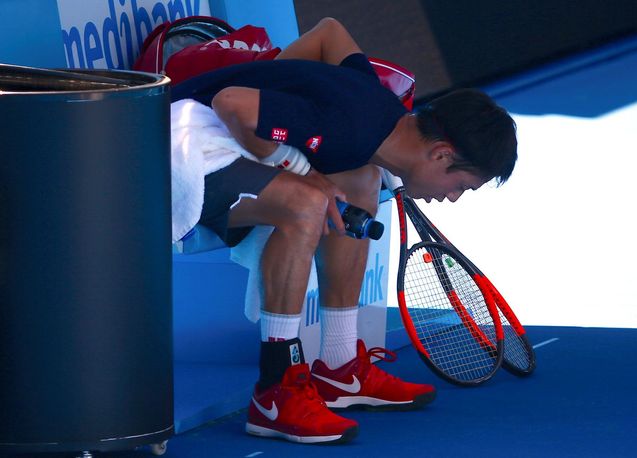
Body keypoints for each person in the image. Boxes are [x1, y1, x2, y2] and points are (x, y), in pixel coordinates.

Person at [171, 17, 517, 444]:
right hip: (177, 142)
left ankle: (339, 367)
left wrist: (282, 86)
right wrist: (297, 164)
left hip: (230, 137)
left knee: (360, 179)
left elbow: (329, 33)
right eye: (460, 185)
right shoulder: (348, 123)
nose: (453, 198)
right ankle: (275, 391)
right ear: (441, 153)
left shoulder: (381, 113)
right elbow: (231, 102)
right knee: (307, 202)